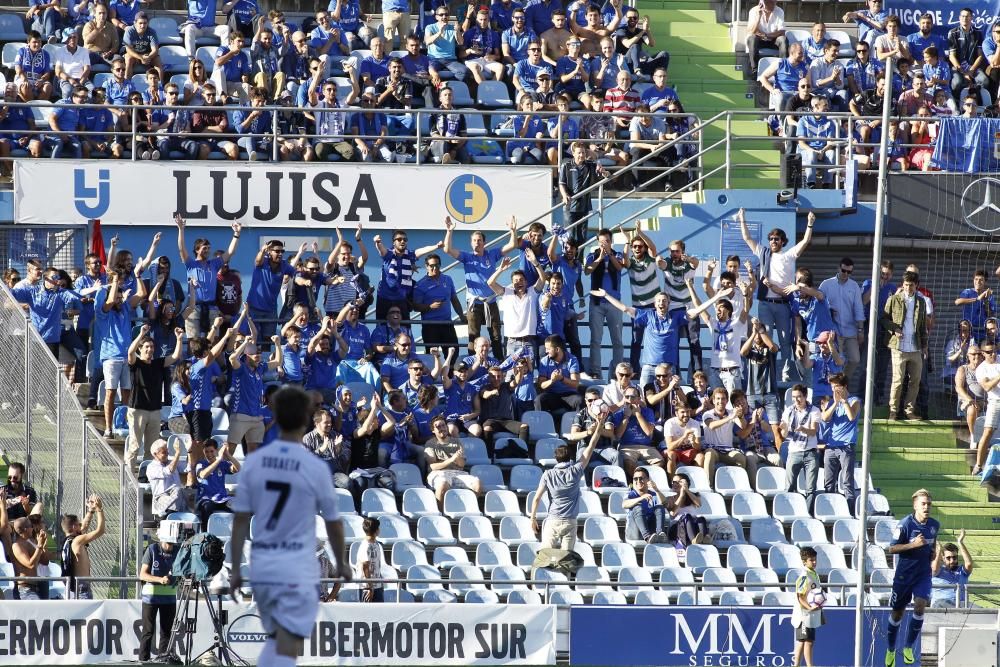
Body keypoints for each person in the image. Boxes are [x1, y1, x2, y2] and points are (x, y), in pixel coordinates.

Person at [229, 386, 352, 667]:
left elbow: (240, 521)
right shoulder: (315, 467)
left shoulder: (257, 461)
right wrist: (342, 564)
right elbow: (332, 522)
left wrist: (236, 568)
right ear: (303, 420)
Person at [739, 207, 813, 382]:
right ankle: (768, 370)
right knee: (766, 338)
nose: (773, 241)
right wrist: (742, 218)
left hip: (783, 304)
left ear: (783, 241)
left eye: (776, 239)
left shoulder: (788, 256)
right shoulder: (763, 253)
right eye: (771, 239)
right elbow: (747, 238)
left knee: (785, 340)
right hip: (765, 304)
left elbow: (805, 241)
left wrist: (809, 224)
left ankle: (785, 372)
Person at [885, 489, 939, 667]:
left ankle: (908, 647)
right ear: (915, 505)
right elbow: (891, 548)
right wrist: (913, 545)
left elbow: (931, 545)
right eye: (923, 504)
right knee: (897, 613)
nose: (926, 507)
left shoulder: (934, 525)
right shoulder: (905, 524)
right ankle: (891, 649)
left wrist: (931, 553)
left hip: (923, 575)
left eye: (929, 504)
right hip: (904, 575)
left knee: (920, 606)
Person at [529, 422, 605, 549]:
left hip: (553, 520)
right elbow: (591, 445)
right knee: (567, 559)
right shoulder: (575, 471)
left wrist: (532, 519)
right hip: (570, 521)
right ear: (570, 457)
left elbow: (536, 498)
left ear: (555, 458)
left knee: (546, 556)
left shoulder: (548, 474)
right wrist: (600, 424)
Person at [444, 217, 506, 358]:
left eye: (479, 240)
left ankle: (499, 364)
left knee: (496, 335)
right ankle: (472, 365)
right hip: (474, 303)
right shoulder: (467, 257)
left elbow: (512, 245)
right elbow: (447, 249)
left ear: (484, 242)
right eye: (474, 240)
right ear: (471, 243)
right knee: (473, 336)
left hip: (490, 301)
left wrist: (513, 231)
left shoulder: (492, 254)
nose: (477, 243)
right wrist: (449, 231)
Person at [125, 324, 184, 463]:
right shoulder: (136, 363)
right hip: (138, 409)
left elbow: (175, 356)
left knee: (152, 449)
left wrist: (179, 339)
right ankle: (128, 477)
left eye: (151, 347)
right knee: (134, 446)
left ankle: (146, 475)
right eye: (146, 347)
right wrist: (141, 335)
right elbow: (130, 352)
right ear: (140, 349)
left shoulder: (158, 363)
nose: (150, 349)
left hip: (155, 410)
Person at [881, 271, 929, 421]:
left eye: (911, 285)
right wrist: (894, 329)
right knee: (897, 380)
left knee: (915, 380)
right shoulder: (894, 299)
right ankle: (893, 411)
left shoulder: (921, 302)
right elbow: (883, 319)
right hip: (898, 347)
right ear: (903, 284)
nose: (908, 288)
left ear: (916, 286)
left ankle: (909, 411)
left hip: (915, 347)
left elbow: (922, 326)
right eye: (906, 285)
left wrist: (925, 345)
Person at [819, 258, 866, 389]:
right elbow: (818, 304)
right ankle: (836, 387)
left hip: (851, 330)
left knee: (855, 359)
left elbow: (858, 308)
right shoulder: (826, 284)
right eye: (844, 270)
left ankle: (841, 381)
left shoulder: (854, 286)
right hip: (834, 330)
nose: (846, 274)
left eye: (849, 272)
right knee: (836, 360)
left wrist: (861, 330)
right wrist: (828, 311)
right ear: (838, 268)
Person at [488, 254, 546, 359]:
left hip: (529, 341)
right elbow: (490, 283)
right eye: (515, 280)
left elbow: (543, 278)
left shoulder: (532, 292)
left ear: (526, 282)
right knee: (511, 374)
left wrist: (535, 263)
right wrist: (500, 269)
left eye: (521, 280)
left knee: (528, 374)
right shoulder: (506, 292)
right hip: (511, 342)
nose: (518, 282)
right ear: (512, 283)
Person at [138, 524, 178, 662]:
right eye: (168, 543)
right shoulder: (152, 549)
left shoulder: (178, 551)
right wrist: (160, 580)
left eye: (172, 543)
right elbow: (142, 575)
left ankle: (163, 661)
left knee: (167, 633)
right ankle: (143, 661)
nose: (170, 547)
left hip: (170, 599)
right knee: (148, 632)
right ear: (162, 539)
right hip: (151, 599)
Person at [820, 372, 860, 510]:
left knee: (847, 482)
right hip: (831, 446)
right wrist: (835, 404)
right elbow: (824, 418)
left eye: (837, 387)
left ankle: (850, 511)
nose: (834, 390)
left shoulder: (855, 400)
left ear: (844, 386)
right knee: (829, 482)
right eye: (832, 387)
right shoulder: (831, 402)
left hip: (846, 447)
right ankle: (829, 510)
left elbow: (851, 417)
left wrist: (844, 401)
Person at [781, 384, 821, 510]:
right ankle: (789, 512)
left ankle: (807, 513)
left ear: (805, 397)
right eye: (794, 397)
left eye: (799, 397)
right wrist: (784, 429)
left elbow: (814, 431)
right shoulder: (788, 411)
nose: (796, 400)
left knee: (810, 488)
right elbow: (784, 434)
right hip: (794, 451)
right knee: (789, 486)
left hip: (810, 452)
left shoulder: (814, 410)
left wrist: (803, 429)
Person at [60, 494, 105, 599]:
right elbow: (100, 531)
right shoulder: (77, 541)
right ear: (74, 526)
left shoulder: (68, 541)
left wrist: (90, 511)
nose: (81, 526)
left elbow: (83, 527)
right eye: (78, 524)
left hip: (74, 588)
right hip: (82, 589)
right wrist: (99, 509)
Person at [792, 546, 824, 667]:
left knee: (802, 640)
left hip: (810, 613)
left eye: (815, 559)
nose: (814, 562)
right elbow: (799, 596)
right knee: (808, 641)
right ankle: (810, 665)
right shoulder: (804, 576)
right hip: (804, 614)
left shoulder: (813, 574)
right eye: (811, 560)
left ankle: (796, 665)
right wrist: (809, 607)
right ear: (804, 561)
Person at [972, 343, 1000, 476]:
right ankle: (978, 465)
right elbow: (988, 387)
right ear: (982, 353)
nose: (993, 354)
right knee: (988, 431)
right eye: (989, 352)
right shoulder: (981, 369)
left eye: (994, 351)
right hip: (995, 401)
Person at [622, 467, 669, 543]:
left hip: (652, 533)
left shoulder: (653, 495)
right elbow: (624, 504)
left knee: (659, 507)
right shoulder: (631, 494)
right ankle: (647, 537)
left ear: (648, 480)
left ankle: (660, 534)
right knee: (637, 508)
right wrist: (640, 498)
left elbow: (666, 504)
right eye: (635, 479)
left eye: (641, 478)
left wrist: (656, 489)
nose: (638, 481)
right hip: (635, 533)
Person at [930, 531, 974, 608]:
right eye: (948, 558)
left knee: (987, 614)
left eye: (954, 557)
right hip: (941, 604)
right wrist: (939, 550)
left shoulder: (962, 571)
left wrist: (960, 543)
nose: (952, 561)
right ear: (943, 558)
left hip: (961, 605)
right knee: (941, 603)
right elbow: (934, 569)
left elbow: (969, 564)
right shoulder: (938, 570)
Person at [148, 438, 188, 517]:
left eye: (167, 451)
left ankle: (169, 515)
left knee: (182, 492)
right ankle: (166, 515)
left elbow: (189, 467)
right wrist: (177, 453)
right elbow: (169, 471)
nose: (167, 454)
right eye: (164, 452)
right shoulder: (151, 467)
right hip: (160, 498)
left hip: (177, 497)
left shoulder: (172, 461)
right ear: (155, 454)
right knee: (179, 490)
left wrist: (190, 451)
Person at [10, 516, 48, 600]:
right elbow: (30, 564)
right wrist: (39, 546)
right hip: (25, 589)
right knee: (37, 611)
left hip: (38, 586)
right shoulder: (17, 545)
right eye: (31, 526)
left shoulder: (32, 541)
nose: (33, 528)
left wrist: (43, 545)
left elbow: (45, 561)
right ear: (25, 529)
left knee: (45, 612)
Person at [746, 0, 786, 69]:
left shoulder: (779, 11)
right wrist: (758, 17)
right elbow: (752, 31)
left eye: (774, 2)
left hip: (773, 40)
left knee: (783, 39)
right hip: (759, 40)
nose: (773, 4)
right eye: (769, 2)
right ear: (762, 3)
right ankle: (754, 69)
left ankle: (783, 68)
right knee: (752, 38)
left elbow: (781, 31)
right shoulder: (753, 11)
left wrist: (766, 35)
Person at [357, 516, 386, 602]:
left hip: (377, 586)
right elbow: (365, 566)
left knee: (379, 614)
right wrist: (370, 587)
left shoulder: (376, 543)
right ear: (376, 530)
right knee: (366, 614)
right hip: (367, 588)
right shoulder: (366, 546)